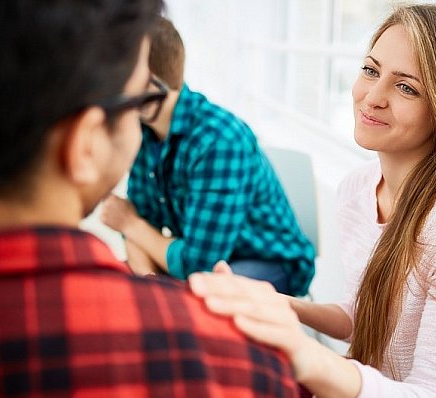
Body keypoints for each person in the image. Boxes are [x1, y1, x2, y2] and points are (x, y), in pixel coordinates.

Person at [0, 2, 300, 397]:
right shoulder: (245, 369)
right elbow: (144, 225)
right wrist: (145, 274)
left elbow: (178, 249)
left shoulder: (220, 139)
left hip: (258, 259)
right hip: (191, 256)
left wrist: (135, 234)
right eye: (133, 102)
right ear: (86, 144)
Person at [187, 4, 436, 397]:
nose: (372, 97)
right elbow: (359, 316)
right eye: (370, 70)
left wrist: (307, 355)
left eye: (406, 87)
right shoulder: (358, 189)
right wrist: (276, 304)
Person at [99, 18, 315, 297]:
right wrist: (149, 286)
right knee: (130, 294)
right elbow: (142, 224)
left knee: (199, 304)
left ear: (150, 82)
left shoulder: (219, 141)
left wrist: (130, 223)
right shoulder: (142, 129)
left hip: (267, 262)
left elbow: (197, 264)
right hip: (202, 256)